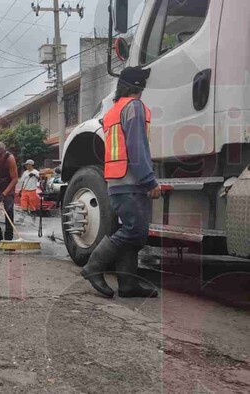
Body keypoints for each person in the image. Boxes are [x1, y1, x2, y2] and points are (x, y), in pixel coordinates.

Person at [81, 66, 161, 299]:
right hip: (131, 180)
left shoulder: (114, 111)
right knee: (135, 230)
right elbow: (137, 148)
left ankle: (128, 284)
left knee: (131, 231)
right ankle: (94, 265)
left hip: (116, 180)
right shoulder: (134, 107)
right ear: (138, 86)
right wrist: (149, 181)